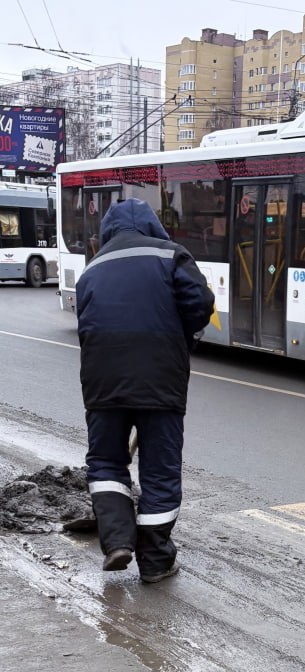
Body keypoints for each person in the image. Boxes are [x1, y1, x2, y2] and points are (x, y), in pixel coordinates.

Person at [76, 198, 214, 582]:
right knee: (159, 470)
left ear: (108, 231)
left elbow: (86, 324)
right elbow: (200, 304)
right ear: (154, 226)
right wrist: (181, 335)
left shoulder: (92, 269)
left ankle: (118, 540)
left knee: (105, 461)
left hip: (102, 382)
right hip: (160, 380)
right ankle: (155, 562)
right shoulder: (171, 255)